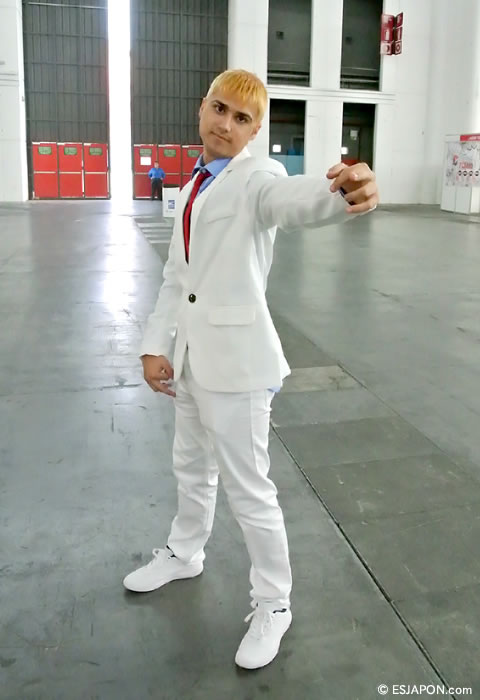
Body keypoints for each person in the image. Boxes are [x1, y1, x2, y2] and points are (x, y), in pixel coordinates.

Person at [123, 69, 379, 669]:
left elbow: (292, 201)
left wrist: (341, 193)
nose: (226, 124)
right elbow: (177, 278)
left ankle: (274, 603)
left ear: (255, 131)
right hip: (191, 361)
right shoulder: (193, 186)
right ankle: (185, 552)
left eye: (242, 119)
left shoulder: (257, 178)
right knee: (190, 467)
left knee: (248, 489)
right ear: (202, 108)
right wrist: (156, 345)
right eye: (220, 109)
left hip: (239, 367)